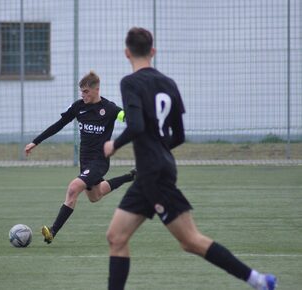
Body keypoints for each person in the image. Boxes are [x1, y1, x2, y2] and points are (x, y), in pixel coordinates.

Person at [103, 27, 277, 290]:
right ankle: (258, 280)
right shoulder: (169, 83)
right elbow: (179, 135)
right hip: (154, 171)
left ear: (127, 52)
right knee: (116, 237)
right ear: (153, 51)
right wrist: (160, 150)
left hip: (154, 175)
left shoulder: (130, 82)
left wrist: (114, 144)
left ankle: (259, 280)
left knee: (191, 241)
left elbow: (136, 125)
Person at [25, 71, 135, 244]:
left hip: (99, 162)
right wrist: (35, 142)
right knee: (95, 196)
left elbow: (127, 117)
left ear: (96, 89)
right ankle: (130, 176)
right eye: (81, 92)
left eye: (86, 92)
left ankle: (53, 231)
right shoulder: (78, 107)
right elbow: (58, 125)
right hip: (85, 161)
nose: (83, 95)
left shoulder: (110, 109)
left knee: (73, 188)